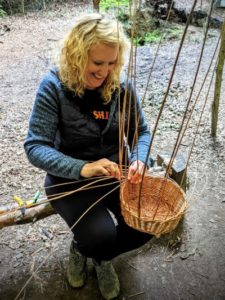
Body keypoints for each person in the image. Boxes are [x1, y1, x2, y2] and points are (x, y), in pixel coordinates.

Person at [24, 13, 153, 300]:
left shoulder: (122, 87)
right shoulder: (53, 88)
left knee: (146, 225)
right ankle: (90, 247)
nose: (105, 72)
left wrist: (140, 160)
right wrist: (83, 167)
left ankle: (94, 255)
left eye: (111, 63)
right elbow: (35, 146)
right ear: (76, 54)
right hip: (69, 178)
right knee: (100, 235)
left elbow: (141, 132)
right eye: (97, 63)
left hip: (115, 173)